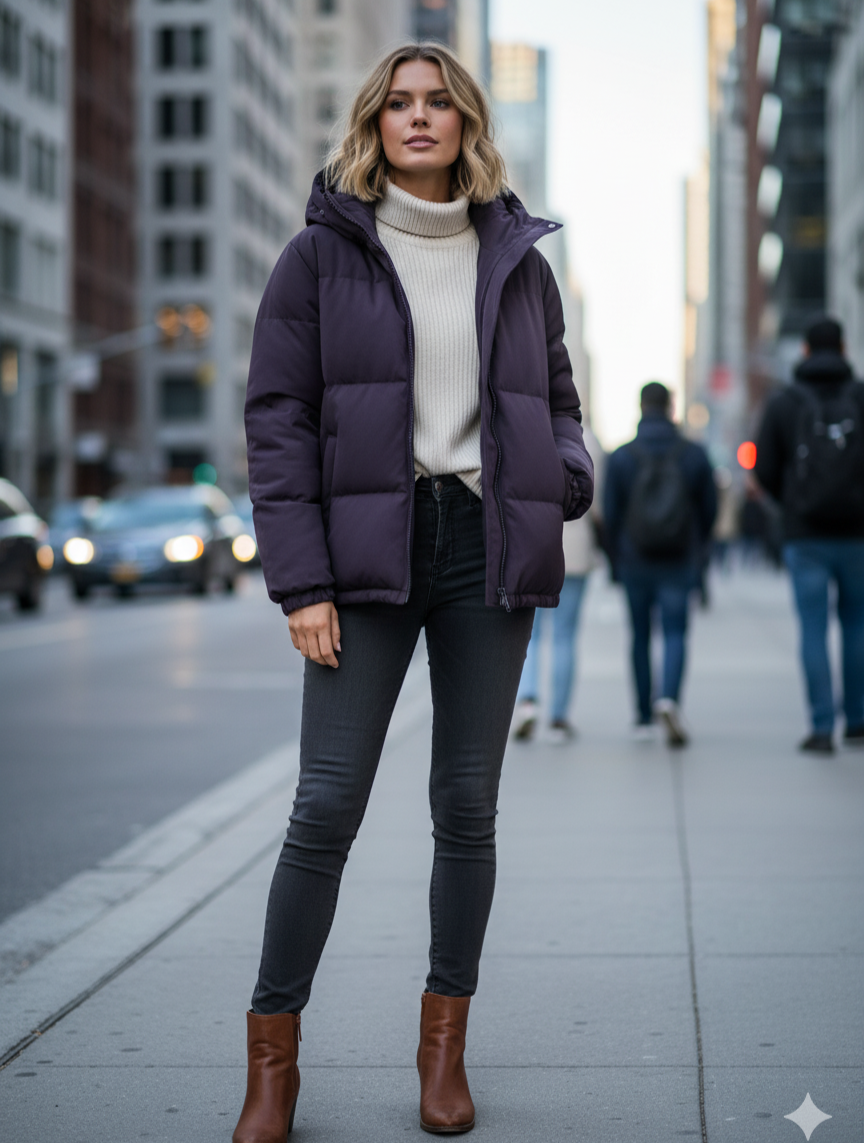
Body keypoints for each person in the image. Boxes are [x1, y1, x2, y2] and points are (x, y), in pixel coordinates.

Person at [233, 42, 594, 1141]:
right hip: (364, 558)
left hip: (485, 547)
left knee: (466, 807)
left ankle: (444, 1054)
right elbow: (277, 424)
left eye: (440, 102)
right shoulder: (318, 258)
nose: (421, 118)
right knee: (325, 807)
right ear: (374, 124)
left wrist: (561, 476)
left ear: (467, 121)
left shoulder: (518, 261)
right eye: (401, 104)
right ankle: (271, 1067)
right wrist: (300, 580)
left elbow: (562, 398)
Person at [754, 316, 864, 754]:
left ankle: (821, 727)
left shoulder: (784, 403)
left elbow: (764, 470)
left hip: (806, 537)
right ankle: (857, 720)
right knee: (857, 625)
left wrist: (792, 506)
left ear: (803, 352)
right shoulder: (860, 396)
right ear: (843, 348)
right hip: (858, 534)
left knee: (813, 629)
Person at [603, 382, 716, 747]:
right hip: (679, 559)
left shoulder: (621, 456)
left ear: (641, 407)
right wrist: (698, 546)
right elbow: (710, 509)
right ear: (669, 407)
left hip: (635, 559)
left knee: (639, 636)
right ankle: (669, 699)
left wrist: (615, 559)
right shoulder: (694, 454)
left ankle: (642, 716)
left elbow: (610, 514)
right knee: (675, 632)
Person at [513, 424, 605, 742]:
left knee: (531, 635)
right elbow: (598, 503)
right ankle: (559, 717)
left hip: (532, 546)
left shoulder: (523, 430)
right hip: (576, 550)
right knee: (565, 636)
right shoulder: (587, 440)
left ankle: (528, 702)